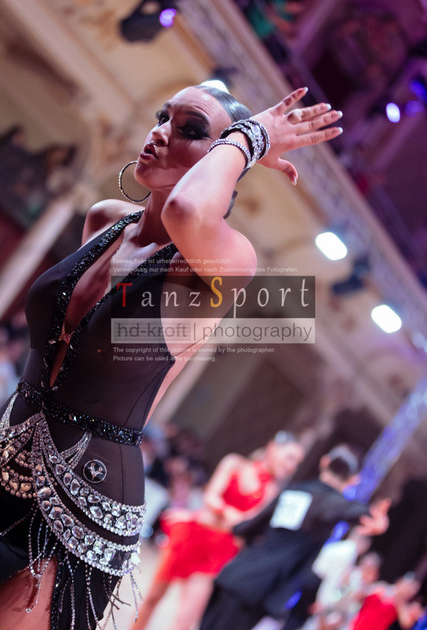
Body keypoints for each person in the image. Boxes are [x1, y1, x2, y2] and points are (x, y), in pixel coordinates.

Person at [0, 82, 343, 630]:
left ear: (224, 157)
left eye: (190, 129)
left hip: (81, 507)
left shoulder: (225, 260)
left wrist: (253, 136)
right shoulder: (105, 219)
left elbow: (187, 209)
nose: (160, 132)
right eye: (163, 116)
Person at [198, 445, 390, 630]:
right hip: (256, 591)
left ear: (324, 461)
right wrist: (376, 519)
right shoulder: (327, 503)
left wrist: (225, 514)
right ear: (354, 479)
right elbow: (353, 510)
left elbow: (245, 528)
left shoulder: (293, 491)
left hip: (234, 575)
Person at [131, 431, 304, 630]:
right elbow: (211, 497)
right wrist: (228, 514)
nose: (291, 466)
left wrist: (224, 514)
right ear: (273, 448)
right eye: (290, 457)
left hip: (218, 553)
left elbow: (249, 524)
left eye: (296, 463)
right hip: (192, 537)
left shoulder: (272, 491)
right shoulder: (234, 464)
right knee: (152, 598)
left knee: (185, 620)